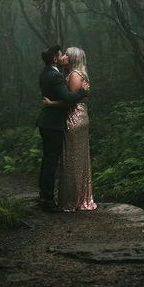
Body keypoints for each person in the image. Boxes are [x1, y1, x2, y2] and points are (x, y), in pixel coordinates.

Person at [43, 47, 97, 212]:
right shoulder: (76, 73)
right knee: (76, 157)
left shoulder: (74, 74)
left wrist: (51, 103)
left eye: (67, 54)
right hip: (78, 116)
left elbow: (69, 101)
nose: (64, 56)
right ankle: (79, 197)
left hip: (74, 117)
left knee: (72, 158)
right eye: (63, 54)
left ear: (73, 58)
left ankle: (72, 200)